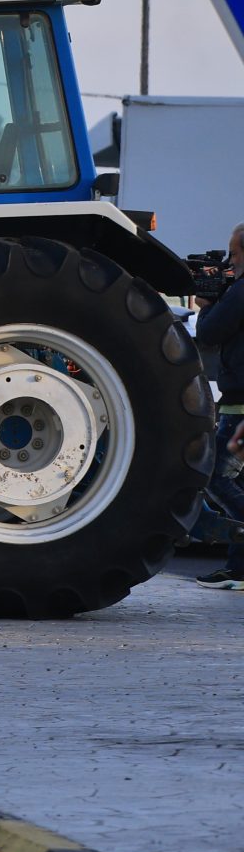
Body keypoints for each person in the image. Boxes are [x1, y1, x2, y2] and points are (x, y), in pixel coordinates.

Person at [193, 221, 244, 589]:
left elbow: (209, 333)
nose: (230, 261)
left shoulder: (240, 292)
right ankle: (238, 569)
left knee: (214, 475)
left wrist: (209, 303)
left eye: (234, 254)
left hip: (240, 404)